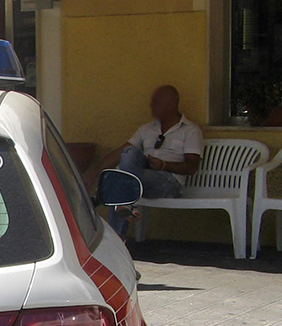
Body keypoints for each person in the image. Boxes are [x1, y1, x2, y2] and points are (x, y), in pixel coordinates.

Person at [84, 85, 204, 237]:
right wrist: (94, 174)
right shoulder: (146, 129)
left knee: (119, 181)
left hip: (169, 181)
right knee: (129, 152)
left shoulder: (190, 131)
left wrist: (164, 165)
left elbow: (191, 167)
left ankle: (117, 233)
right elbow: (120, 153)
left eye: (156, 102)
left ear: (170, 105)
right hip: (142, 176)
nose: (151, 105)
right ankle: (124, 205)